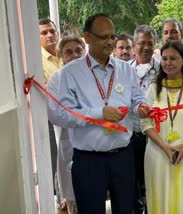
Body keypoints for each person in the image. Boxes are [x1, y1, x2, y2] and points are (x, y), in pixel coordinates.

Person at [52, 13, 150, 214]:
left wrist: (141, 107)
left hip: (123, 156)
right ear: (87, 37)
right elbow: (61, 114)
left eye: (112, 37)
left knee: (126, 209)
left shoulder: (125, 69)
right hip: (89, 161)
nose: (110, 42)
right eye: (103, 37)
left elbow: (136, 99)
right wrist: (99, 114)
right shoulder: (70, 73)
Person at [141, 40, 183, 214]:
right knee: (160, 200)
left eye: (173, 58)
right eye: (164, 58)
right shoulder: (154, 87)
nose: (168, 63)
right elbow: (145, 122)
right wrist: (165, 147)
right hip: (158, 155)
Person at [48, 35, 86, 214]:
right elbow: (56, 115)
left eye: (78, 51)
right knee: (73, 197)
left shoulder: (93, 76)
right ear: (61, 56)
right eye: (68, 52)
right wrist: (87, 115)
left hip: (94, 143)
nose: (74, 55)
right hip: (69, 143)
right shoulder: (56, 79)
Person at [128, 25, 160, 214]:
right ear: (134, 45)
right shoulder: (123, 71)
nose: (146, 47)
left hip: (154, 138)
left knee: (152, 184)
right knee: (132, 184)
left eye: (150, 43)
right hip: (130, 136)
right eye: (141, 43)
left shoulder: (162, 69)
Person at [39, 18, 63, 213]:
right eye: (44, 32)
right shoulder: (37, 62)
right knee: (57, 161)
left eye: (52, 31)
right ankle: (61, 203)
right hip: (51, 119)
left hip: (73, 118)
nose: (49, 35)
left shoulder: (64, 55)